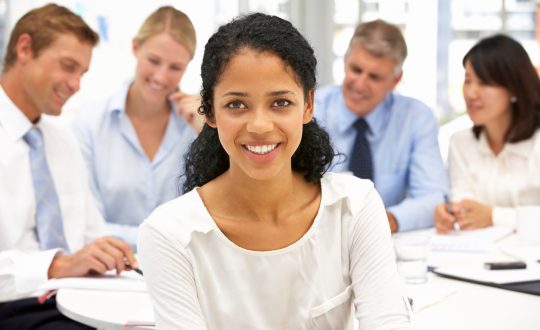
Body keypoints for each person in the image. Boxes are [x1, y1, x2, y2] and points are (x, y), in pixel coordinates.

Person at [138, 13, 411, 329]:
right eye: (237, 105)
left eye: (280, 102)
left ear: (308, 105)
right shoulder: (169, 234)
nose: (259, 126)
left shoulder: (354, 207)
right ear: (210, 111)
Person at [0, 4, 137, 329]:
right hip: (14, 304)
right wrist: (57, 266)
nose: (76, 84)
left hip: (75, 298)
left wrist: (113, 254)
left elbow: (92, 233)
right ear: (24, 49)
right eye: (67, 66)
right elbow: (64, 263)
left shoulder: (62, 142)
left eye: (82, 73)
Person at [72, 6, 202, 247]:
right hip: (108, 272)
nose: (161, 76)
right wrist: (165, 240)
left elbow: (211, 220)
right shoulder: (89, 125)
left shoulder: (195, 128)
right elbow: (87, 226)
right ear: (135, 47)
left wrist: (208, 133)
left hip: (182, 271)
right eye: (153, 61)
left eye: (175, 67)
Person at [314, 19, 448, 233]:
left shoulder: (415, 118)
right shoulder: (312, 110)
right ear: (345, 61)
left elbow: (434, 197)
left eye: (374, 77)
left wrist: (387, 221)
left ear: (395, 80)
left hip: (386, 240)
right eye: (356, 69)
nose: (360, 84)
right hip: (319, 237)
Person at [434, 34, 540, 233]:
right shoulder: (460, 143)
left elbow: (482, 215)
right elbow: (465, 206)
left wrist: (493, 216)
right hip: (476, 257)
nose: (471, 93)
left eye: (484, 83)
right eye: (467, 80)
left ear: (514, 88)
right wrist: (451, 213)